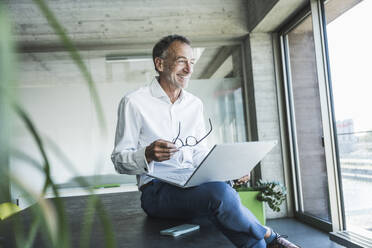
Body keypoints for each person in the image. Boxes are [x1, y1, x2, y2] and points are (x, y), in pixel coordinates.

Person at [111, 34, 300, 248]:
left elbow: (199, 153)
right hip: (157, 192)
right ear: (160, 63)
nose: (189, 70)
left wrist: (229, 171)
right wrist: (146, 154)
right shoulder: (134, 102)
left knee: (228, 200)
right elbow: (118, 160)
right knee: (220, 194)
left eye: (191, 62)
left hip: (194, 184)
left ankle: (265, 241)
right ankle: (270, 235)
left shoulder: (194, 104)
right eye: (182, 61)